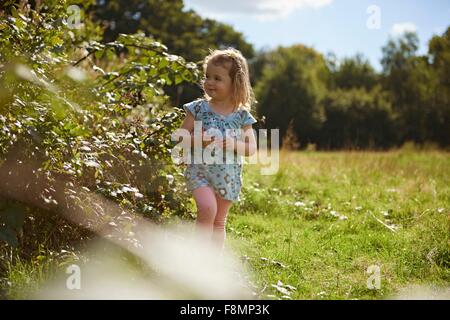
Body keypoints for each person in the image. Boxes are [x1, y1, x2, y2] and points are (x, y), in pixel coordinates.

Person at [177, 47, 258, 253]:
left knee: (219, 221)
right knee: (207, 209)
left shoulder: (241, 116)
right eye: (207, 77)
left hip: (227, 177)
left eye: (217, 78)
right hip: (200, 172)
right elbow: (179, 137)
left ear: (235, 83)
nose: (210, 82)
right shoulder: (198, 108)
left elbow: (251, 149)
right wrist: (198, 140)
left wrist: (233, 144)